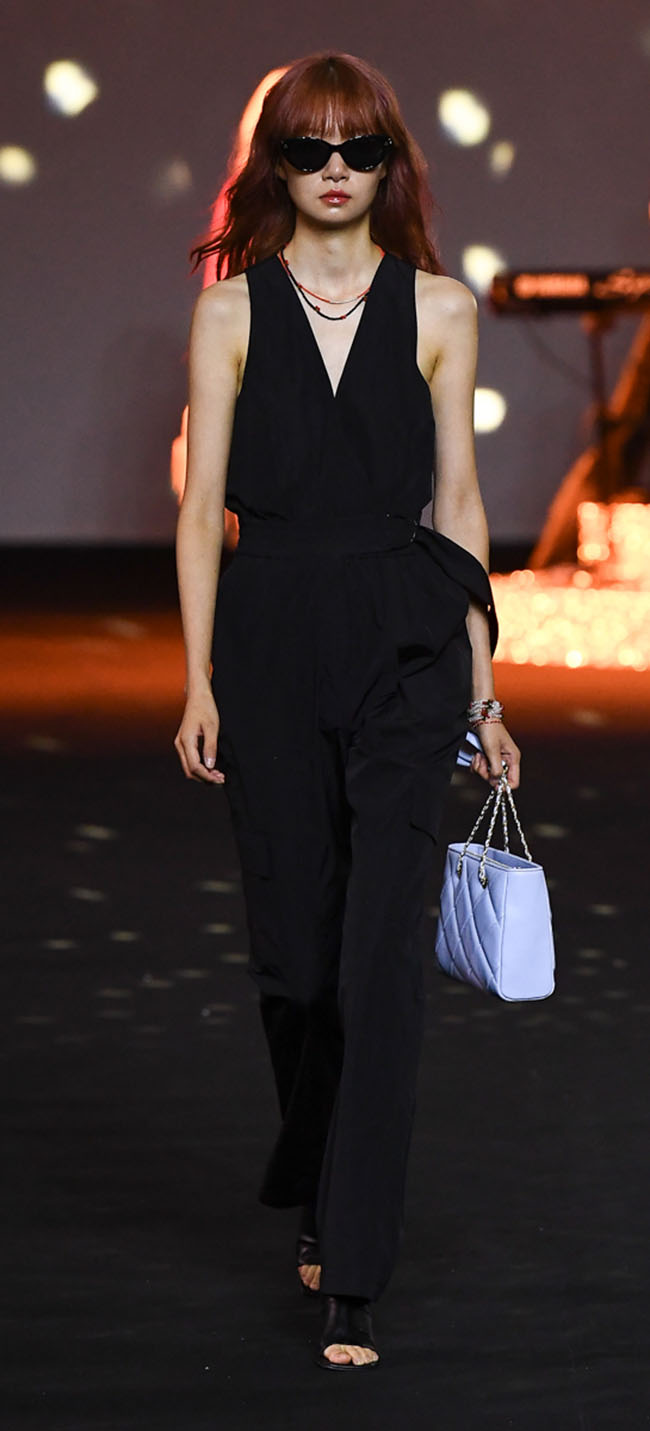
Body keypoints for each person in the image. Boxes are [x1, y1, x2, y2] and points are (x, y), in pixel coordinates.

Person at [174, 50, 521, 1372]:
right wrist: (197, 677)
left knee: (380, 962)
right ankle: (316, 1172)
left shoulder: (440, 307)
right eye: (309, 147)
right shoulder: (230, 312)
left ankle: (352, 1263)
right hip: (268, 643)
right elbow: (201, 512)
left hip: (403, 644)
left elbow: (460, 504)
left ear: (389, 164)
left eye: (358, 148)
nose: (334, 169)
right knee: (297, 964)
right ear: (276, 162)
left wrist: (483, 687)